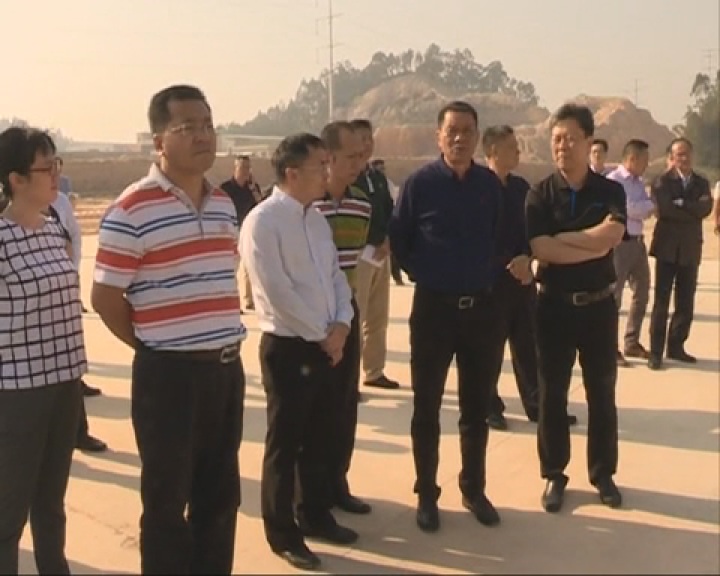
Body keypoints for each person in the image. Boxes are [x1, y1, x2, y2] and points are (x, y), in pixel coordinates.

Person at [92, 85, 247, 574]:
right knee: (166, 505)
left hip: (226, 372)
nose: (204, 136)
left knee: (220, 499)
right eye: (188, 127)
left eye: (208, 125)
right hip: (169, 379)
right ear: (159, 141)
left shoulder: (223, 203)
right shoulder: (131, 210)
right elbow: (105, 298)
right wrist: (156, 345)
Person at [240, 133, 358, 571]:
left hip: (328, 342)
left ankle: (315, 513)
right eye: (320, 166)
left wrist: (342, 323)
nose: (328, 173)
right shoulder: (263, 222)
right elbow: (277, 292)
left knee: (323, 435)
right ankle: (282, 531)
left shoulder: (317, 221)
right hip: (290, 348)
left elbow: (336, 277)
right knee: (285, 443)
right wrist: (322, 335)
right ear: (292, 173)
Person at [389, 101, 505, 533]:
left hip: (481, 312)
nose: (459, 138)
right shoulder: (420, 184)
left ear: (477, 137)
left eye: (467, 130)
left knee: (476, 408)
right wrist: (427, 272)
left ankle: (474, 488)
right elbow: (400, 238)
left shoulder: (489, 186)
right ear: (438, 136)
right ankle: (426, 493)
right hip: (433, 312)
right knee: (427, 407)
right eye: (451, 130)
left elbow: (501, 237)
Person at [526, 103, 627, 514]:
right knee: (552, 394)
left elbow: (612, 237)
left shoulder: (610, 191)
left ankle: (603, 473)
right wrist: (589, 240)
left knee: (601, 392)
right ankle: (554, 473)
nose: (562, 146)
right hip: (553, 307)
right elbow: (540, 248)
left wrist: (563, 241)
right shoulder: (540, 194)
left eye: (570, 138)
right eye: (556, 139)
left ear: (588, 142)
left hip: (599, 307)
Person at [0, 127, 86, 575]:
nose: (56, 176)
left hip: (65, 383)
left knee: (51, 503)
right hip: (19, 389)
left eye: (57, 165)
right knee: (9, 505)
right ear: (16, 179)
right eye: (45, 168)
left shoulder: (54, 229)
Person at [482, 125, 578, 431]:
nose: (518, 152)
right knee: (489, 349)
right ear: (494, 151)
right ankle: (489, 406)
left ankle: (538, 405)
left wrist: (527, 258)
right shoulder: (478, 187)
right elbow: (477, 237)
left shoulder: (521, 188)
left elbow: (534, 229)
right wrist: (508, 263)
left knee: (530, 346)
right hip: (490, 282)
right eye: (512, 147)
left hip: (522, 281)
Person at [314, 121, 372, 515]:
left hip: (346, 311)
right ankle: (311, 492)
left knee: (344, 403)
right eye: (351, 156)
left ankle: (338, 482)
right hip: (311, 315)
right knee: (313, 410)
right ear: (329, 157)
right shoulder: (305, 206)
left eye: (361, 156)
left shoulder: (362, 205)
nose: (358, 163)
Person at [46, 194, 107, 453]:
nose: (54, 177)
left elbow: (70, 242)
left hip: (56, 310)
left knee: (67, 375)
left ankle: (78, 433)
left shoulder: (51, 212)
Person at [647, 137, 713, 369]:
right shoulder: (662, 181)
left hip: (690, 248)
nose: (683, 158)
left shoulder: (701, 183)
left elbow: (705, 208)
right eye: (679, 154)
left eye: (687, 153)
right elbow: (665, 209)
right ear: (671, 158)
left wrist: (682, 204)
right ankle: (656, 352)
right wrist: (690, 210)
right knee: (661, 302)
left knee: (685, 302)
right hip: (667, 248)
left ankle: (676, 346)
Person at [350, 119, 400, 390]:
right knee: (355, 317)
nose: (367, 144)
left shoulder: (377, 178)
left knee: (378, 317)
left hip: (381, 254)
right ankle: (348, 378)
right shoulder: (347, 178)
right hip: (359, 256)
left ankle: (374, 370)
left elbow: (392, 212)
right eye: (361, 138)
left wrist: (389, 240)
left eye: (369, 138)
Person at [606, 140, 655, 366]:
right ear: (632, 159)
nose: (647, 165)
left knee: (642, 292)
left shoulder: (638, 182)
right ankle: (609, 347)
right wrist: (643, 207)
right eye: (645, 160)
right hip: (619, 244)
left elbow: (646, 207)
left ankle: (632, 341)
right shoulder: (613, 181)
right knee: (614, 297)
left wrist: (642, 207)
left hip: (637, 242)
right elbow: (628, 209)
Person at [220, 154, 262, 311]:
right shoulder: (226, 188)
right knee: (232, 268)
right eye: (242, 167)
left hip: (247, 231)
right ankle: (233, 302)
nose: (245, 171)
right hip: (230, 230)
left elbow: (261, 205)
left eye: (247, 168)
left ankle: (247, 300)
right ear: (235, 168)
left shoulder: (252, 188)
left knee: (247, 265)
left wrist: (254, 190)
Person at [371, 158, 405, 286]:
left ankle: (397, 277)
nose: (382, 171)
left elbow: (391, 203)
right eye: (379, 168)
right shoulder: (370, 182)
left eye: (383, 168)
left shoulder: (385, 182)